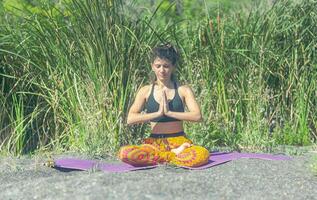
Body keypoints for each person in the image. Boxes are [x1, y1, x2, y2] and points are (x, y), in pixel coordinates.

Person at [118, 44, 210, 167]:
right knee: (125, 153)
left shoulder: (183, 90)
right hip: (154, 144)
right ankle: (172, 155)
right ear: (152, 67)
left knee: (202, 154)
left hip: (179, 142)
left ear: (173, 67)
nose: (162, 70)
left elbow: (197, 116)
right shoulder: (145, 91)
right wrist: (157, 114)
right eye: (158, 66)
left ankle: (164, 157)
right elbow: (130, 119)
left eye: (166, 66)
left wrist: (170, 113)